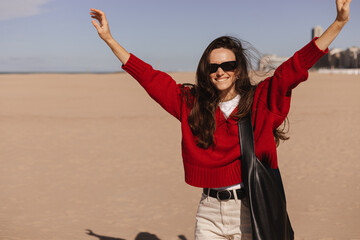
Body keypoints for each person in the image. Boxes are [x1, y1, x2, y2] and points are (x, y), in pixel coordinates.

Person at [90, 1, 351, 239]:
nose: (220, 72)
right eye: (213, 67)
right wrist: (110, 40)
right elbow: (150, 77)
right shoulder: (192, 103)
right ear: (206, 71)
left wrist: (338, 23)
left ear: (238, 70)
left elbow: (293, 68)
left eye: (228, 65)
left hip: (250, 210)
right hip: (209, 212)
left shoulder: (259, 101)